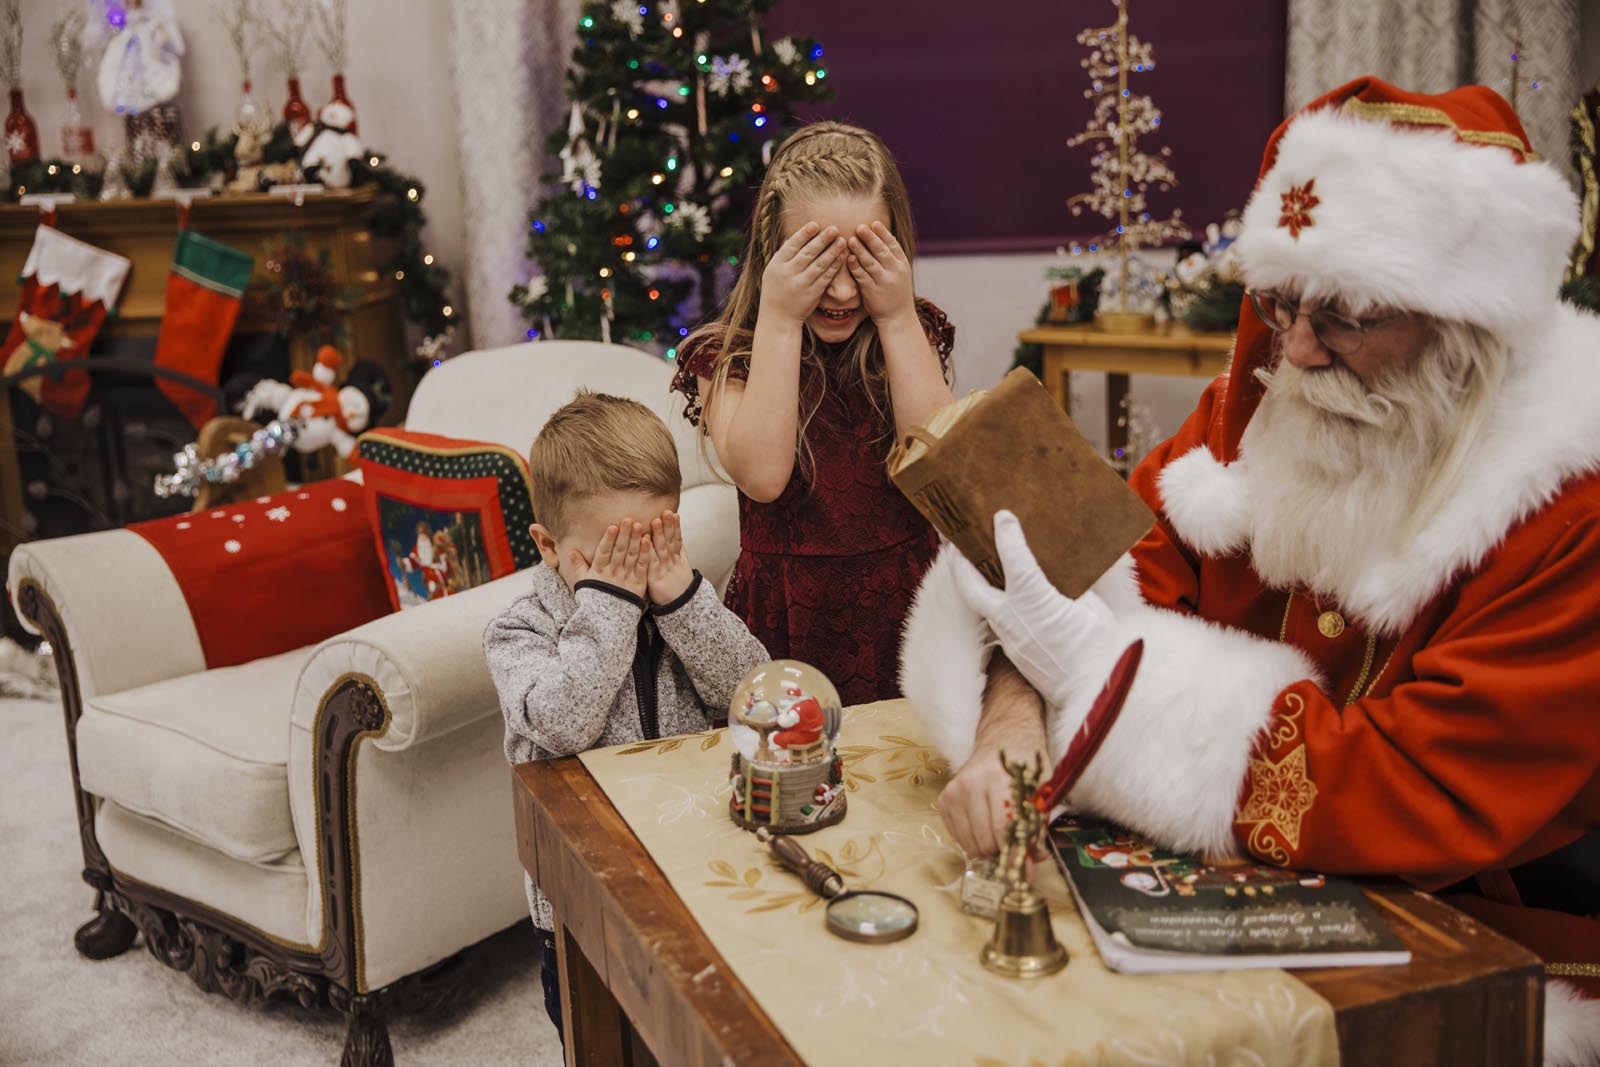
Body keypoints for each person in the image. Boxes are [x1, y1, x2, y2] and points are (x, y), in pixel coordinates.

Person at [900, 77, 1600, 1062]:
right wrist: (1013, 709)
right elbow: (1096, 569)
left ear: (1467, 330)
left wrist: (1108, 688)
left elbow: (1413, 780)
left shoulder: (1567, 506)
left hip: (1479, 938)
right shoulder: (1265, 411)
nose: (1300, 349)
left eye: (1349, 312)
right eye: (1280, 301)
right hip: (1236, 892)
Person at [484, 390, 768, 1040]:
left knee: (694, 1031)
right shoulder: (519, 632)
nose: (637, 571)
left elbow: (752, 691)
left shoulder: (680, 604)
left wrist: (686, 601)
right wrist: (608, 606)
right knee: (603, 1040)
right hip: (582, 900)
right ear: (549, 546)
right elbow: (561, 722)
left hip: (695, 868)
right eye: (613, 552)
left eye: (652, 540)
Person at [671, 121, 956, 706]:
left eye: (865, 261)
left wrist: (899, 319)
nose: (846, 291)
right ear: (771, 254)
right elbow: (763, 476)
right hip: (784, 620)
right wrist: (779, 318)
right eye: (819, 261)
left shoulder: (911, 330)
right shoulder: (729, 356)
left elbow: (942, 470)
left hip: (908, 605)